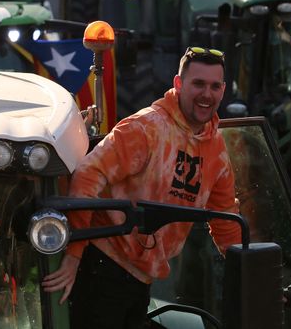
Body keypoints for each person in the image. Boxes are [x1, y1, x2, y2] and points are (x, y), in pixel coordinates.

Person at [42, 48, 241, 328]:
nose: (207, 94)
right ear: (178, 84)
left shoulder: (216, 149)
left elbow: (225, 219)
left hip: (141, 280)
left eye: (215, 86)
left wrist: (254, 276)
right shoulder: (146, 128)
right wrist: (73, 256)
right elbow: (88, 175)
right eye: (198, 84)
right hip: (102, 267)